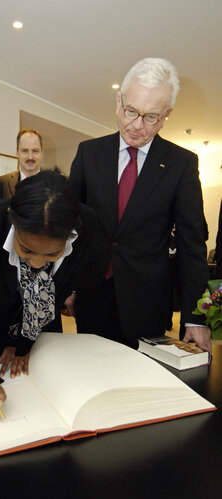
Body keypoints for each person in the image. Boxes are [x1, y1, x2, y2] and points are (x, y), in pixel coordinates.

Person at [68, 57, 212, 353]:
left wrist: (196, 317)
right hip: (92, 293)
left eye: (151, 117)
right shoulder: (88, 153)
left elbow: (191, 244)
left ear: (167, 114)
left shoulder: (181, 164)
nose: (136, 126)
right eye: (130, 110)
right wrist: (67, 286)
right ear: (118, 101)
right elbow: (70, 226)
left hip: (147, 301)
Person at [0, 169, 96, 422]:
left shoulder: (87, 227)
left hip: (39, 319)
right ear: (12, 220)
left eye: (52, 255)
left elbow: (62, 288)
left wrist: (23, 340)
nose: (36, 264)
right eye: (26, 250)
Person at [0, 129, 43, 199]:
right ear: (17, 152)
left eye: (35, 151)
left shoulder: (54, 184)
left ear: (41, 153)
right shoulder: (3, 182)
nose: (30, 157)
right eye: (25, 151)